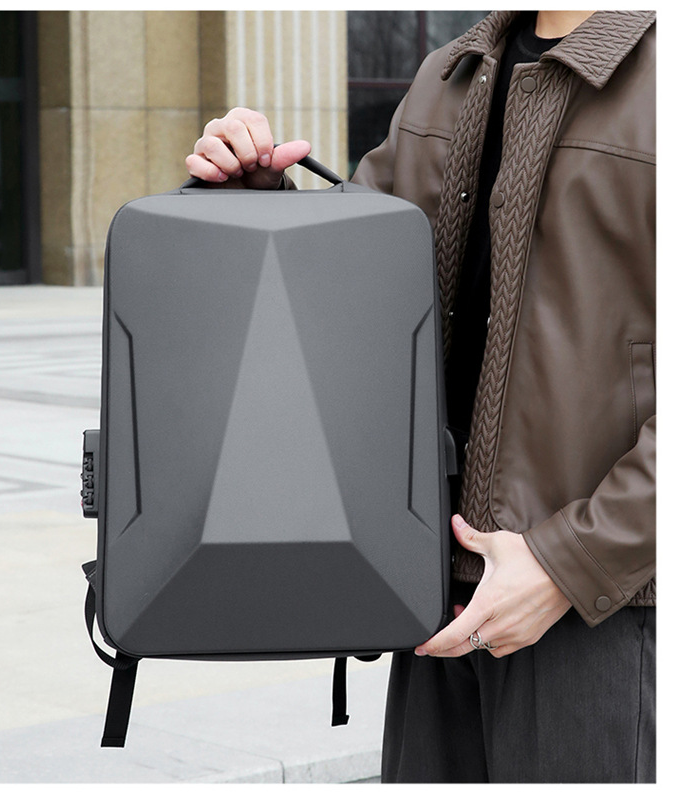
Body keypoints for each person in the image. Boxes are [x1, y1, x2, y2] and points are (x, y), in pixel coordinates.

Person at [186, 10, 655, 784]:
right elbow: (355, 286)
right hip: (435, 604)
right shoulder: (450, 73)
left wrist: (569, 563)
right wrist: (258, 202)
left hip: (610, 611)